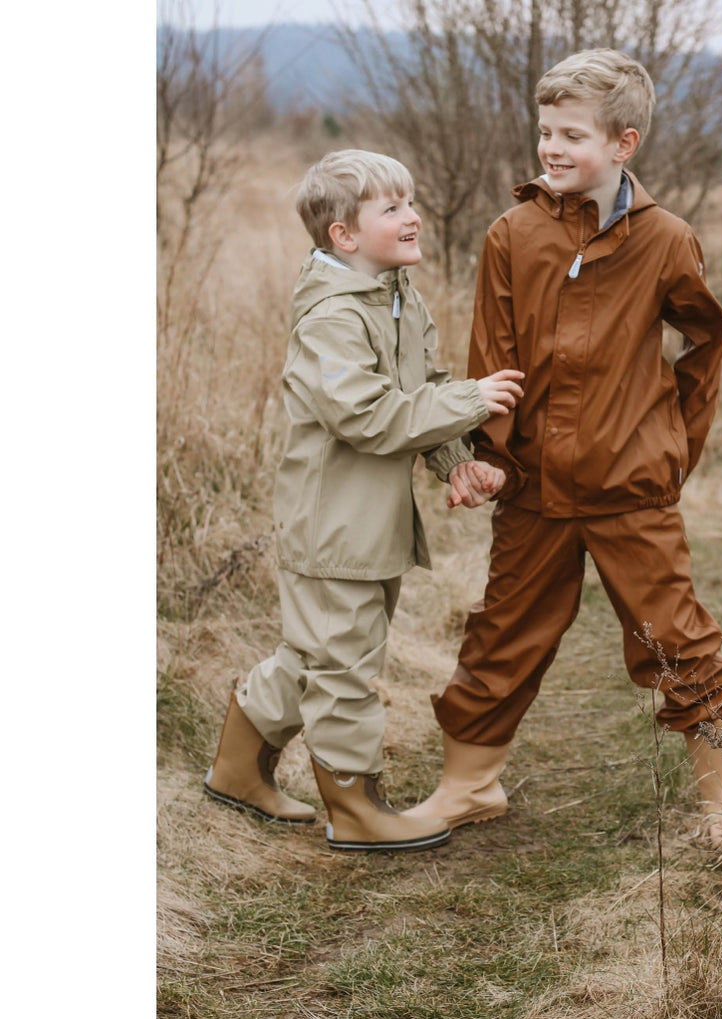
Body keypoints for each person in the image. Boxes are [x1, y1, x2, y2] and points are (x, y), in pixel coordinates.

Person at [404, 50, 722, 850]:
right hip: (534, 488)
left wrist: (672, 449)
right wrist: (488, 456)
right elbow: (492, 358)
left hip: (631, 489)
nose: (551, 148)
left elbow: (705, 344)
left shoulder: (666, 240)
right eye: (545, 132)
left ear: (624, 143)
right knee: (501, 635)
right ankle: (467, 788)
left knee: (678, 639)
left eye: (571, 135)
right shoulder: (512, 234)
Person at [204, 149, 525, 853]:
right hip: (333, 524)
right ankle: (355, 807)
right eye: (392, 207)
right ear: (343, 235)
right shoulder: (332, 318)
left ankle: (236, 770)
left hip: (368, 522)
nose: (413, 217)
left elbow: (419, 387)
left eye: (411, 202)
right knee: (343, 665)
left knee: (319, 651)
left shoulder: (398, 297)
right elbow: (366, 415)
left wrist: (455, 463)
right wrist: (472, 400)